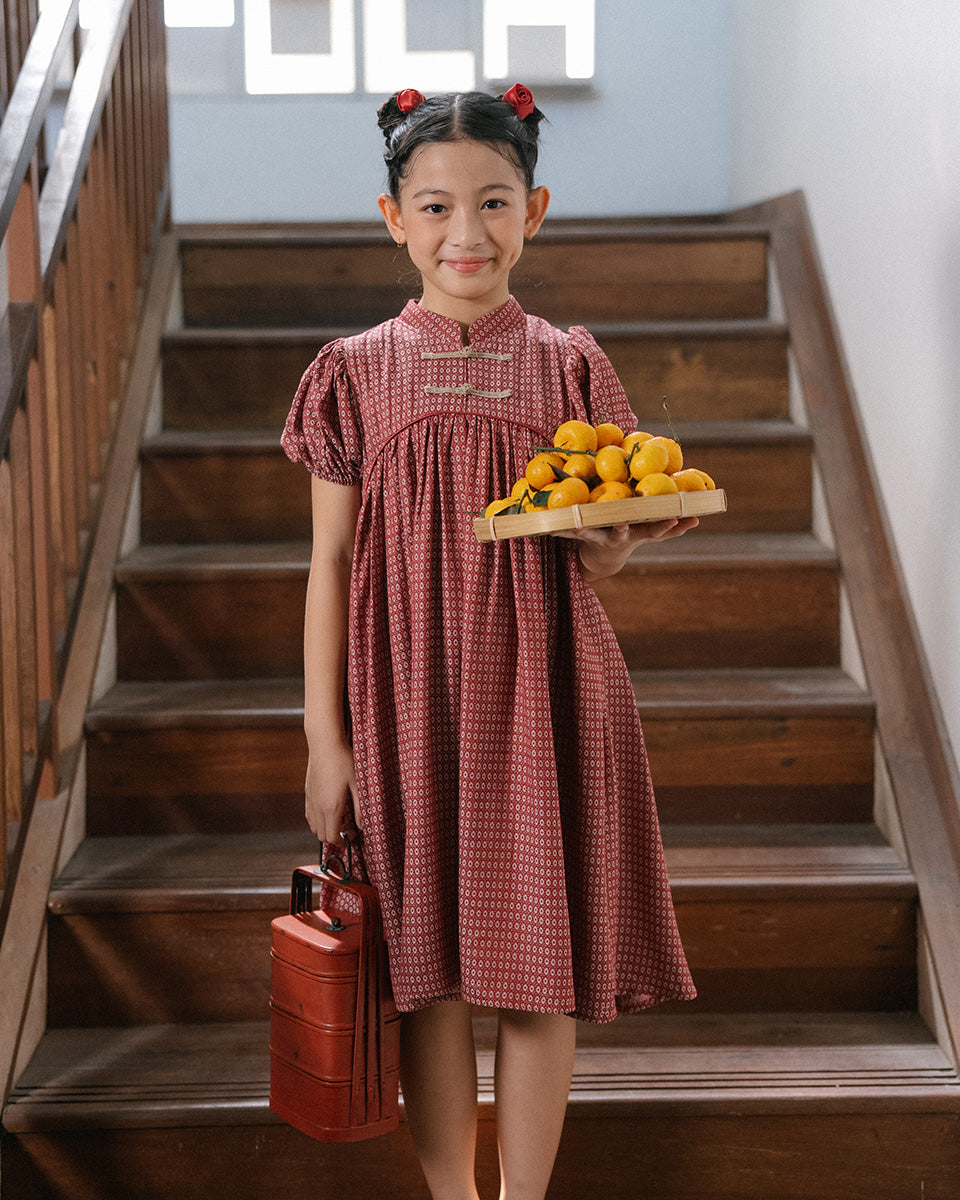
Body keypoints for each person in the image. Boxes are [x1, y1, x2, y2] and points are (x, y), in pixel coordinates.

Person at [282, 84, 697, 1200]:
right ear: (393, 218)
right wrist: (328, 740)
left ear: (536, 210)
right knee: (427, 979)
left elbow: (593, 551)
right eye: (435, 208)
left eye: (494, 203)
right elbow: (328, 565)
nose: (466, 234)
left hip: (545, 692)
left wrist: (618, 548)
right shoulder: (354, 369)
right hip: (403, 692)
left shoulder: (572, 364)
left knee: (536, 975)